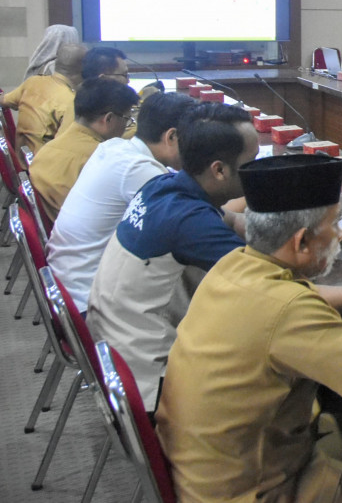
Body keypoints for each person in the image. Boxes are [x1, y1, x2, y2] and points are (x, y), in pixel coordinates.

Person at [157, 153, 342, 503]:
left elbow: (300, 300)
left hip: (205, 469)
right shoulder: (288, 308)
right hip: (251, 491)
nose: (339, 235)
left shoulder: (235, 264)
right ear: (301, 240)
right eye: (333, 225)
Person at [87, 102, 258, 407]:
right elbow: (275, 291)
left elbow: (233, 222)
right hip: (156, 387)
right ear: (219, 170)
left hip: (120, 357)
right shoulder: (188, 221)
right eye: (252, 164)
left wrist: (292, 234)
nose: (257, 172)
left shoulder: (163, 186)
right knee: (276, 354)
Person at [47, 92, 195, 311]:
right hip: (89, 298)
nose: (198, 149)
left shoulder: (114, 147)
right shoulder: (140, 170)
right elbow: (194, 223)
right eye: (195, 139)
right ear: (171, 137)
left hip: (69, 279)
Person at [28, 77, 139, 220]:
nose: (126, 126)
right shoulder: (99, 159)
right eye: (127, 119)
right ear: (108, 119)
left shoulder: (50, 147)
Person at [3, 43, 87, 154]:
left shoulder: (32, 82)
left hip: (24, 160)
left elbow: (3, 101)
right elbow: (66, 147)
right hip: (48, 164)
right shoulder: (71, 102)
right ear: (85, 69)